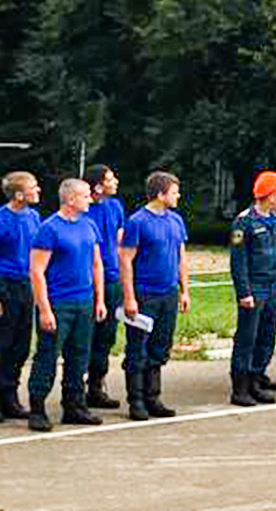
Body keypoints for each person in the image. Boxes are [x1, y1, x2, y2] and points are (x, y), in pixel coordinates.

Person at [25, 177, 107, 431]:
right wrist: (45, 309)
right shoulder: (50, 229)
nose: (90, 200)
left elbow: (96, 264)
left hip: (84, 302)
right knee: (48, 356)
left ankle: (74, 406)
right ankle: (37, 409)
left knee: (79, 357)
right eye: (85, 196)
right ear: (71, 199)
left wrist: (100, 299)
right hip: (59, 303)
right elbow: (37, 271)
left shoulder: (89, 225)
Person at [120, 171, 190, 420]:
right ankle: (136, 400)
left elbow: (181, 257)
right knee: (138, 349)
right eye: (174, 191)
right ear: (160, 195)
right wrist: (129, 297)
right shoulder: (137, 222)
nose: (178, 196)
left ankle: (153, 397)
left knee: (160, 347)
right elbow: (126, 261)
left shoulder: (176, 221)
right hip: (145, 293)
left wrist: (184, 290)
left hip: (168, 293)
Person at [0, 170, 41, 423]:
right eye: (33, 187)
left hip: (26, 285)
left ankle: (10, 396)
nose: (38, 190)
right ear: (18, 194)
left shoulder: (34, 217)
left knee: (21, 345)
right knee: (0, 345)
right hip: (4, 284)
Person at [229, 170, 276, 406]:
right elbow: (239, 260)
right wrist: (244, 292)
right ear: (270, 194)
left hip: (273, 287)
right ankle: (240, 388)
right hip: (254, 289)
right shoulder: (244, 221)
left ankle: (256, 379)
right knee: (247, 338)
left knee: (267, 337)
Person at [80, 164, 126, 410]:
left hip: (112, 280)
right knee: (83, 337)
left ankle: (97, 386)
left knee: (106, 336)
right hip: (86, 282)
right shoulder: (83, 212)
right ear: (97, 186)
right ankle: (77, 388)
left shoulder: (115, 206)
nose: (116, 181)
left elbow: (119, 241)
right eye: (110, 178)